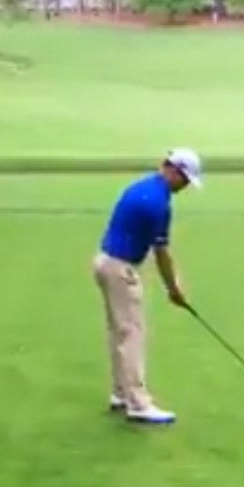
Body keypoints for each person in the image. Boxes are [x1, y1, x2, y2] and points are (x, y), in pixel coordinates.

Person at [92, 148, 203, 424]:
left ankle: (121, 393)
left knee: (119, 331)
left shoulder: (143, 186)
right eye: (185, 179)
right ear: (173, 170)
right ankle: (138, 403)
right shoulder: (157, 204)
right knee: (132, 334)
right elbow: (161, 253)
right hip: (120, 269)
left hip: (104, 262)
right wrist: (174, 289)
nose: (185, 186)